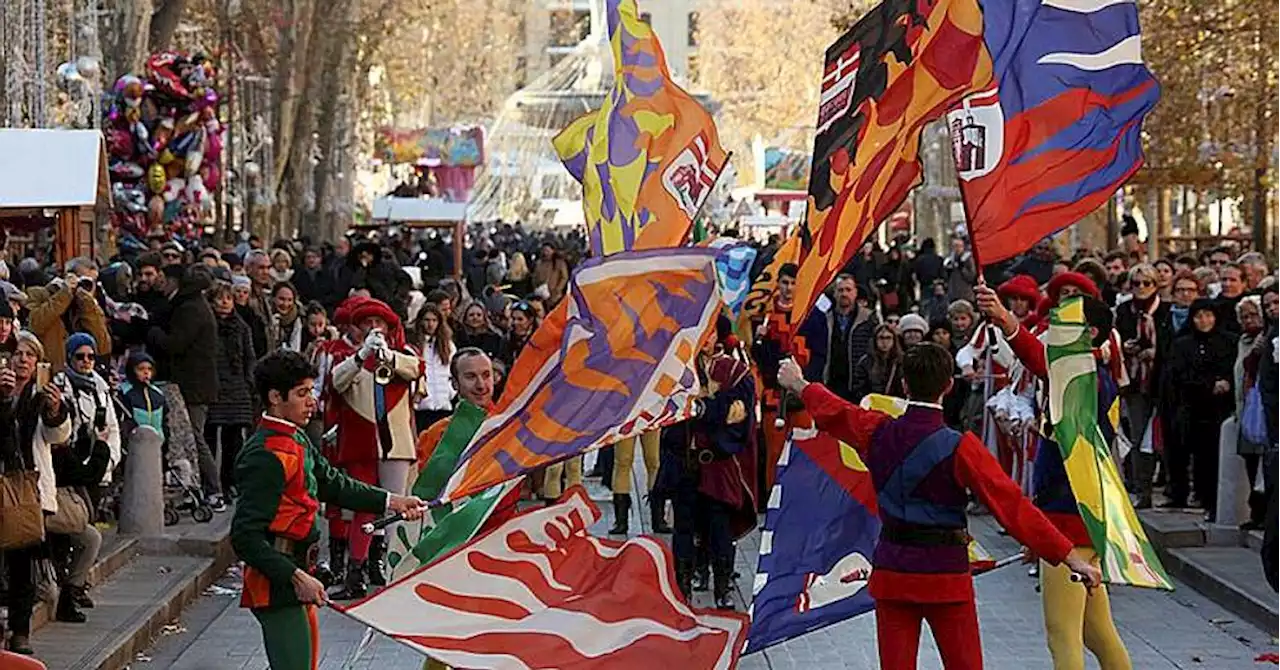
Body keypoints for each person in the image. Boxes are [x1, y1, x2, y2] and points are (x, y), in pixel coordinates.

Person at [777, 345, 1099, 669]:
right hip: (946, 577)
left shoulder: (875, 429)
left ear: (904, 385)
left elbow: (836, 410)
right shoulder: (962, 448)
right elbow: (1013, 507)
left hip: (893, 573)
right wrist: (1070, 557)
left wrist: (799, 384)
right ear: (949, 385)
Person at [231, 349, 426, 670]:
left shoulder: (296, 438)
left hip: (297, 574)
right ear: (275, 397)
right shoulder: (264, 454)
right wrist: (294, 578)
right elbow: (245, 537)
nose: (312, 401)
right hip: (278, 581)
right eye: (302, 393)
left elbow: (333, 484)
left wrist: (392, 500)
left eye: (311, 391)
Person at [976, 285, 1133, 670]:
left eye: (1065, 321)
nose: (1054, 325)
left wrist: (1004, 318)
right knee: (1097, 633)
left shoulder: (1083, 375)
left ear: (1090, 332)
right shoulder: (1090, 372)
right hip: (1080, 518)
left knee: (1062, 634)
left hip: (1068, 521)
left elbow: (1039, 360)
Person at [655, 316, 757, 609]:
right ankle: (682, 589)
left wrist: (704, 408)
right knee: (683, 529)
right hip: (684, 464)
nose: (705, 338)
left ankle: (723, 588)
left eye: (710, 333)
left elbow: (737, 414)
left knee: (719, 529)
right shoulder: (679, 369)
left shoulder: (735, 372)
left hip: (716, 465)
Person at [328, 297, 424, 599]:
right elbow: (336, 382)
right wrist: (362, 356)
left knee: (397, 508)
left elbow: (416, 370)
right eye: (367, 324)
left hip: (395, 445)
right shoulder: (347, 357)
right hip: (360, 445)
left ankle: (389, 567)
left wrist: (388, 356)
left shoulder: (405, 352)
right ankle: (355, 573)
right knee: (361, 509)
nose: (374, 328)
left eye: (378, 323)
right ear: (357, 329)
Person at [0, 331, 71, 655]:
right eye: (18, 354)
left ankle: (20, 630)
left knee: (21, 564)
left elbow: (57, 436)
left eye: (30, 355)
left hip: (27, 490)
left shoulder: (41, 396)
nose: (23, 360)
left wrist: (56, 409)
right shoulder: (3, 392)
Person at [146, 264, 225, 510]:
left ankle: (214, 490)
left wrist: (154, 332)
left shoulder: (190, 309)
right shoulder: (191, 305)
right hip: (194, 384)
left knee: (194, 438)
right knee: (190, 438)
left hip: (193, 386)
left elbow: (175, 344)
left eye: (164, 279)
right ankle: (195, 489)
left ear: (175, 282)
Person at [1166, 298, 1236, 516]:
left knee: (1214, 454)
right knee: (1191, 453)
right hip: (1191, 406)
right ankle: (1186, 494)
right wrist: (1207, 386)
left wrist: (1225, 383)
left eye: (1208, 315)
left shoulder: (1228, 341)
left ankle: (1211, 498)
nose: (1204, 321)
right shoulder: (1183, 344)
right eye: (1198, 316)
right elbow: (1178, 374)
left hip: (1221, 408)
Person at [1114, 264, 1171, 508]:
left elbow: (1170, 345)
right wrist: (1127, 349)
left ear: (1156, 285)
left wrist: (1153, 353)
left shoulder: (1166, 311)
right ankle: (1143, 490)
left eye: (1146, 283)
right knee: (1138, 437)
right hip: (1135, 382)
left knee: (1166, 437)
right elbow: (1115, 337)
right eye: (1136, 283)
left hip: (1161, 380)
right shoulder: (1124, 310)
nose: (1141, 288)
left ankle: (1171, 487)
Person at [58, 332, 121, 511]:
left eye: (91, 356)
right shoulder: (62, 386)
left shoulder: (102, 389)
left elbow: (113, 428)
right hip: (72, 467)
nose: (86, 361)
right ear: (70, 357)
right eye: (80, 356)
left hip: (99, 463)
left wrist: (110, 460)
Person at [208, 283, 258, 497]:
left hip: (237, 388)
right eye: (220, 298)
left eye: (228, 298)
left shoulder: (242, 326)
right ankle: (210, 483)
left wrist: (248, 382)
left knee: (234, 440)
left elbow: (250, 356)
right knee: (209, 436)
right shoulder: (208, 325)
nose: (225, 302)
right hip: (213, 385)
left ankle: (229, 481)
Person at [26, 260, 112, 371]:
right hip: (51, 372)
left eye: (92, 281)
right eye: (81, 279)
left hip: (81, 373)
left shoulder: (90, 307)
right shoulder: (39, 294)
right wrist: (65, 294)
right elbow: (36, 325)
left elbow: (103, 347)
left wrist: (87, 304)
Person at [1235, 296, 1267, 529]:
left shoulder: (1266, 340)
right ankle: (1257, 513)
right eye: (1244, 316)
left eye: (1253, 315)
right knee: (1251, 463)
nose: (1248, 320)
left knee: (1264, 466)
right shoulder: (1243, 341)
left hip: (1264, 413)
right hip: (1245, 410)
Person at [409, 303, 455, 433]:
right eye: (427, 320)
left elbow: (452, 372)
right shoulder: (414, 346)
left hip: (444, 406)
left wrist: (449, 393)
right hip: (422, 407)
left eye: (434, 320)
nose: (430, 324)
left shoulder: (448, 346)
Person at [851, 324, 905, 402]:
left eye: (888, 338)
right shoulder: (865, 362)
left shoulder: (901, 361)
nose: (885, 342)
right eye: (881, 338)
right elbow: (859, 388)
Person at [268, 282, 305, 352]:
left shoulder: (296, 319)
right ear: (273, 298)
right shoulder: (265, 315)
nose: (285, 304)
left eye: (290, 300)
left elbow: (295, 348)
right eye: (282, 299)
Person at [532, 241, 570, 306]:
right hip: (541, 295)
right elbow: (535, 277)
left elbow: (564, 277)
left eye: (547, 250)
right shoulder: (539, 263)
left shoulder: (559, 262)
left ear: (553, 251)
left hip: (555, 295)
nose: (545, 252)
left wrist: (557, 289)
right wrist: (536, 287)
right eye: (544, 250)